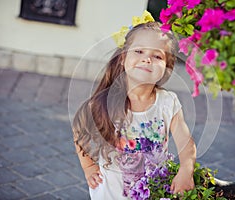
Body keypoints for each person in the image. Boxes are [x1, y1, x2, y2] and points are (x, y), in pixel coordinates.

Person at [72, 21, 197, 199]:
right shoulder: (104, 102)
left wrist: (186, 169)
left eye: (157, 56)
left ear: (167, 68)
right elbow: (79, 129)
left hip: (153, 192)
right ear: (123, 58)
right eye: (139, 51)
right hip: (111, 193)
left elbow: (186, 142)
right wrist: (88, 167)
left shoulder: (168, 102)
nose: (147, 59)